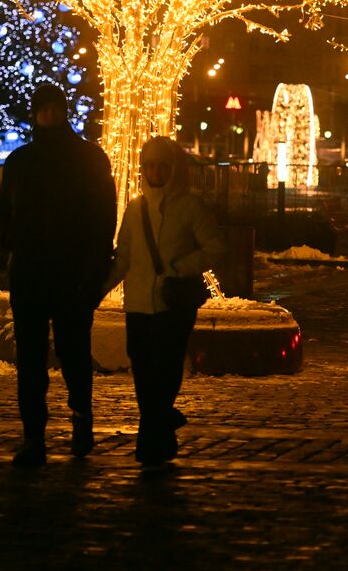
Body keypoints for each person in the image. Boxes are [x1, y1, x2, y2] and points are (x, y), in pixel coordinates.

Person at [0, 83, 116, 468]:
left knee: (74, 352)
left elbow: (103, 218)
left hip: (72, 273)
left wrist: (94, 268)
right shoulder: (21, 161)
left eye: (54, 108)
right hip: (31, 272)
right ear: (35, 113)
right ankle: (34, 436)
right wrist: (11, 246)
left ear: (64, 111)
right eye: (42, 109)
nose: (48, 115)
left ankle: (81, 420)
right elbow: (4, 212)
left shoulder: (88, 159)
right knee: (30, 358)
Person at [106, 136, 225, 467]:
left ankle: (150, 438)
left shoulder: (190, 207)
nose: (155, 171)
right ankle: (161, 424)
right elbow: (124, 258)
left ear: (173, 169)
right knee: (143, 370)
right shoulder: (135, 209)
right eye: (150, 165)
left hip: (173, 303)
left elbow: (215, 247)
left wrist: (178, 268)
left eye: (161, 165)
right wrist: (96, 291)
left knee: (167, 368)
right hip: (139, 304)